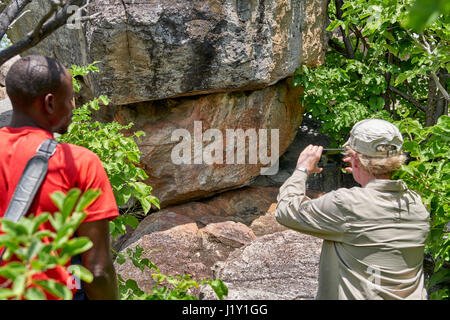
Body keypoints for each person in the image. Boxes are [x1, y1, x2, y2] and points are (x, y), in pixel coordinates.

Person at [0, 55, 119, 300]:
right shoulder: (78, 162)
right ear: (50, 103)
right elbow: (97, 271)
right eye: (71, 99)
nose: (74, 106)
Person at [275, 119, 430, 300]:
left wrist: (302, 169)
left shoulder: (346, 204)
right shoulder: (416, 203)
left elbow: (285, 211)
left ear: (355, 158)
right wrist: (363, 176)